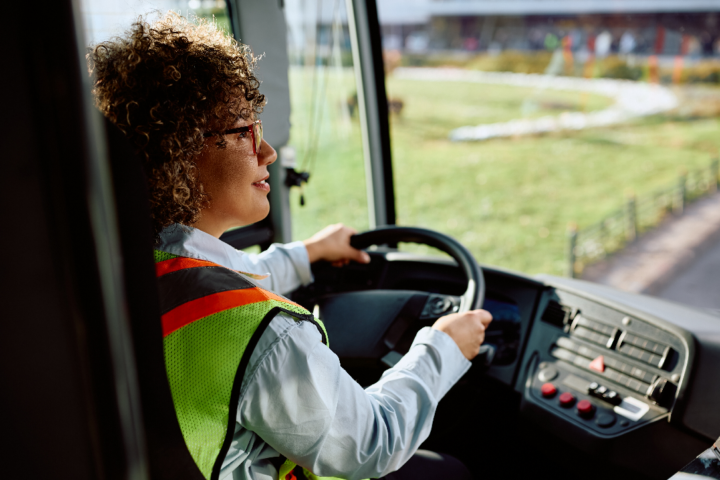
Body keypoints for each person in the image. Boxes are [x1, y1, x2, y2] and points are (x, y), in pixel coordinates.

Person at [88, 13, 492, 480]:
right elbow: (372, 444)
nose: (268, 152)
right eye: (244, 131)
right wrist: (442, 347)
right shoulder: (266, 336)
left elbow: (211, 291)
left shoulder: (127, 270)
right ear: (179, 151)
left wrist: (307, 253)